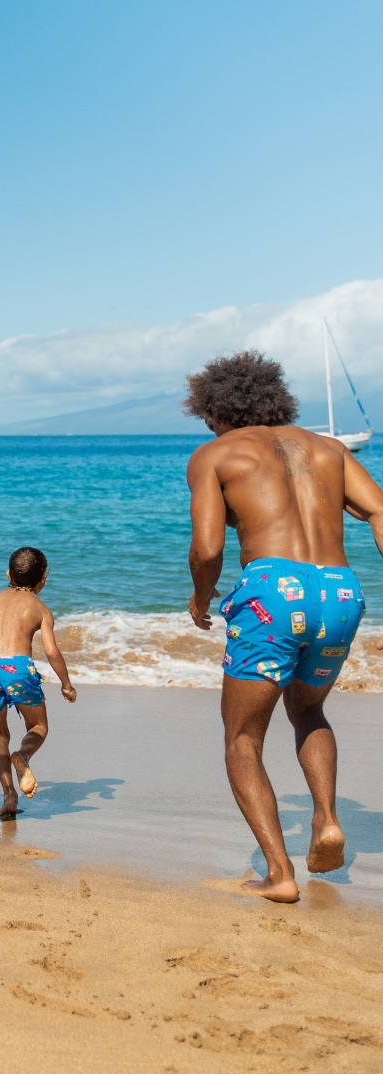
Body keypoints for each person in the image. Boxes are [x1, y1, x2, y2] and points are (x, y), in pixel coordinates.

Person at [185, 350, 383, 903]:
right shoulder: (329, 449)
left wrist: (201, 599)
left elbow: (208, 548)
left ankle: (279, 874)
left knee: (242, 740)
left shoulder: (215, 454)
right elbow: (379, 510)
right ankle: (326, 820)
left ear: (216, 411)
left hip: (275, 592)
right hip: (341, 592)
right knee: (310, 710)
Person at [0, 547, 77, 819]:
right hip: (18, 669)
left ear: (8, 573)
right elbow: (52, 652)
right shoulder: (41, 609)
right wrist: (66, 684)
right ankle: (23, 756)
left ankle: (9, 796)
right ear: (43, 578)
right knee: (38, 725)